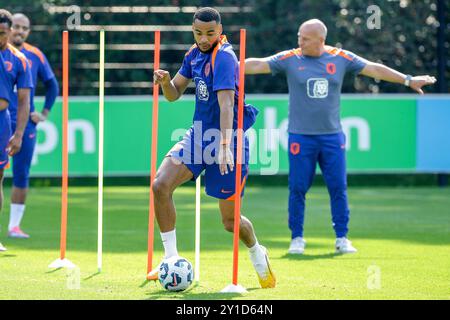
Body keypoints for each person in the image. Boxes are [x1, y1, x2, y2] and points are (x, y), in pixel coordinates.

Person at [245, 19, 436, 255]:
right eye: (299, 37)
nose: (299, 42)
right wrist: (228, 65)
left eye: (304, 38)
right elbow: (258, 64)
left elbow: (374, 68)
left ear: (320, 40)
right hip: (300, 137)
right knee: (297, 188)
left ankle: (342, 238)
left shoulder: (341, 57)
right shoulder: (290, 58)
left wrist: (408, 80)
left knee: (338, 187)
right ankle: (296, 238)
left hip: (332, 137)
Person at [148, 7, 275, 288]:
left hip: (229, 139)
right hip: (198, 136)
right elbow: (173, 95)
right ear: (192, 30)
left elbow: (227, 103)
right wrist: (165, 82)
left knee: (230, 223)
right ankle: (170, 260)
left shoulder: (226, 58)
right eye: (198, 33)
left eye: (210, 33)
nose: (204, 38)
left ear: (220, 30)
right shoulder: (192, 54)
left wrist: (227, 145)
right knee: (160, 186)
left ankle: (256, 251)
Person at [6, 13, 59, 239]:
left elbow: (52, 85)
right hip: (2, 117)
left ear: (28, 31)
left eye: (24, 28)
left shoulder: (34, 54)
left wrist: (44, 113)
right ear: (9, 27)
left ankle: (14, 226)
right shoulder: (3, 53)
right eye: (16, 26)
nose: (19, 31)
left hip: (25, 122)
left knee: (21, 173)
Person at [0, 9, 32, 251]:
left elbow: (23, 101)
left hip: (3, 122)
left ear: (9, 32)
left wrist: (19, 133)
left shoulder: (20, 60)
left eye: (2, 33)